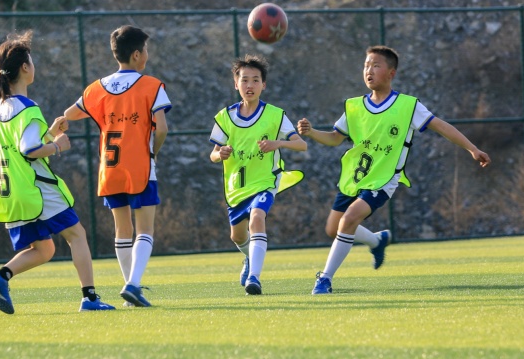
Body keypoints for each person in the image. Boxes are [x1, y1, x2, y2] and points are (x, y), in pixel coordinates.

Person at [298, 45, 491, 295]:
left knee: (348, 220)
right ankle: (377, 241)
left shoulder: (407, 106)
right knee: (333, 228)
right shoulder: (354, 106)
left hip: (383, 179)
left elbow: (441, 127)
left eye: (376, 65)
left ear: (391, 73)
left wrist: (472, 149)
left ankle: (324, 279)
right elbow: (335, 138)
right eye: (366, 65)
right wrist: (312, 133)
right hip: (354, 178)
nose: (369, 70)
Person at [0, 31, 114, 314]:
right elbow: (29, 150)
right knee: (77, 235)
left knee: (45, 249)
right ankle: (90, 299)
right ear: (25, 68)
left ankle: (1, 276)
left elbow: (20, 145)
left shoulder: (0, 109)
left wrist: (50, 132)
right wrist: (56, 146)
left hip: (14, 191)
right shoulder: (29, 108)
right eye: (31, 59)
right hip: (37, 187)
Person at [64, 25, 171, 307]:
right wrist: (153, 153)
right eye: (145, 50)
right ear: (137, 55)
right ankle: (133, 285)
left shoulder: (96, 88)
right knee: (144, 230)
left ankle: (129, 291)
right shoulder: (151, 85)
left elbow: (70, 114)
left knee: (122, 230)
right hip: (139, 167)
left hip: (110, 169)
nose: (147, 55)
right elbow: (161, 129)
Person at [210, 54, 306, 295]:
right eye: (244, 80)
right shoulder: (225, 117)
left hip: (265, 182)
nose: (249, 85)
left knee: (257, 218)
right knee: (237, 236)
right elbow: (212, 154)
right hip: (236, 188)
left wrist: (277, 144)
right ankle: (249, 259)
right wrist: (219, 153)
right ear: (236, 84)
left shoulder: (275, 115)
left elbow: (301, 144)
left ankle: (254, 278)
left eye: (255, 80)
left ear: (264, 84)